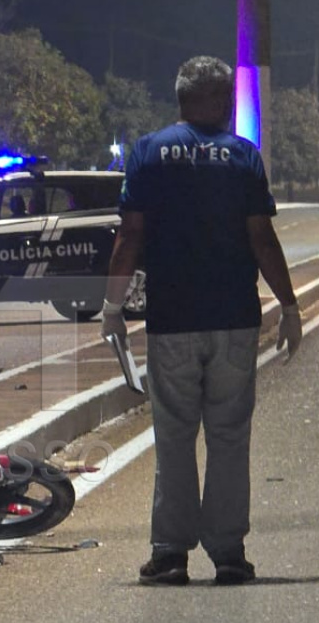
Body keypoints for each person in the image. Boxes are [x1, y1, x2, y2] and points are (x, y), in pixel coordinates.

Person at [102, 56, 302, 586]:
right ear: (214, 100)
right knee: (229, 437)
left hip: (172, 320)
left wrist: (113, 308)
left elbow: (129, 238)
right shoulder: (243, 158)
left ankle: (169, 554)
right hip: (234, 319)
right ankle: (229, 552)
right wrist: (289, 305)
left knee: (174, 436)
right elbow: (262, 238)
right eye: (229, 98)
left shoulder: (147, 153)